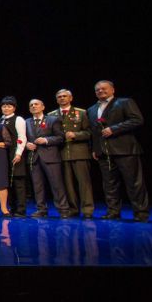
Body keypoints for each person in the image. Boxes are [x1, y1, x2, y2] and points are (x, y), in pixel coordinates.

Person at [87, 80, 149, 222]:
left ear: (112, 90)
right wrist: (95, 149)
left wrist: (114, 129)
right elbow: (94, 131)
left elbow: (137, 120)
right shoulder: (91, 109)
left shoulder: (125, 102)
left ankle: (141, 212)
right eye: (97, 90)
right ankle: (113, 211)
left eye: (104, 88)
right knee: (109, 184)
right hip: (104, 152)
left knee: (134, 183)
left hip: (125, 150)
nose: (100, 91)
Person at [49, 89, 94, 218]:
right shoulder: (51, 115)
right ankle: (73, 209)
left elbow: (89, 132)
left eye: (65, 96)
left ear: (70, 98)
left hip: (79, 152)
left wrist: (76, 135)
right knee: (67, 184)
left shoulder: (81, 112)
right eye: (59, 97)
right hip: (61, 153)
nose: (62, 98)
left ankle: (87, 210)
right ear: (57, 99)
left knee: (84, 183)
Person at [25, 99, 70, 218]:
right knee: (37, 186)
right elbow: (23, 138)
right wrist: (26, 144)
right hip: (34, 158)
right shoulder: (27, 122)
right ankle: (41, 209)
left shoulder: (53, 119)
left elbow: (60, 138)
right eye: (31, 105)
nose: (33, 106)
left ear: (43, 107)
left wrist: (46, 140)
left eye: (36, 104)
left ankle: (63, 209)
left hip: (51, 157)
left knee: (57, 184)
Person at [0, 96, 28, 217]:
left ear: (14, 108)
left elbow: (22, 137)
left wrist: (18, 153)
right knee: (8, 183)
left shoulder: (18, 119)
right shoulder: (0, 120)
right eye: (4, 106)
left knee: (18, 182)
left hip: (15, 153)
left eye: (9, 106)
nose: (6, 108)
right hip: (3, 155)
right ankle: (12, 207)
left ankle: (21, 209)